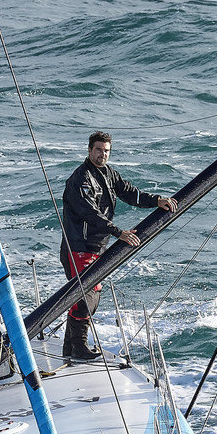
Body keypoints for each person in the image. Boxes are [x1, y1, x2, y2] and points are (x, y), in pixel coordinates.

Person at [60, 131, 176, 361]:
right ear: (89, 150)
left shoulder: (109, 174)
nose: (103, 155)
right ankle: (79, 347)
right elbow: (90, 214)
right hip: (79, 246)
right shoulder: (81, 180)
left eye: (106, 151)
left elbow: (130, 193)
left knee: (85, 296)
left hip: (96, 247)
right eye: (98, 150)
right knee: (86, 297)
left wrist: (157, 200)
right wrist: (118, 233)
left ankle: (70, 348)